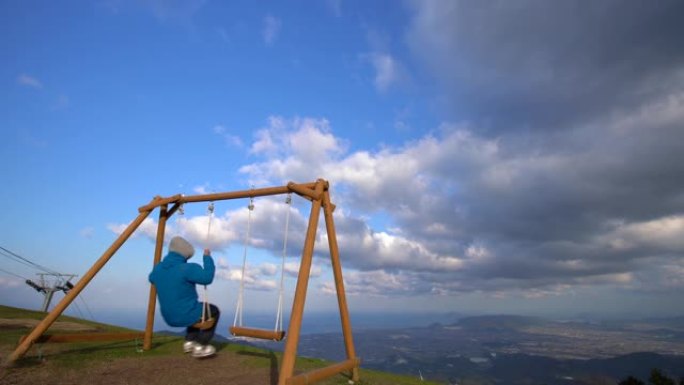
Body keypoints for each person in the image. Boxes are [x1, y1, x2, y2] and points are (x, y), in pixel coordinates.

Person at [149, 235, 220, 358]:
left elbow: (152, 278)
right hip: (185, 314)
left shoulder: (158, 268)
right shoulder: (187, 268)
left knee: (193, 309)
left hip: (168, 316)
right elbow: (207, 278)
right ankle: (200, 345)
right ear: (184, 254)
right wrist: (207, 258)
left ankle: (189, 342)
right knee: (213, 311)